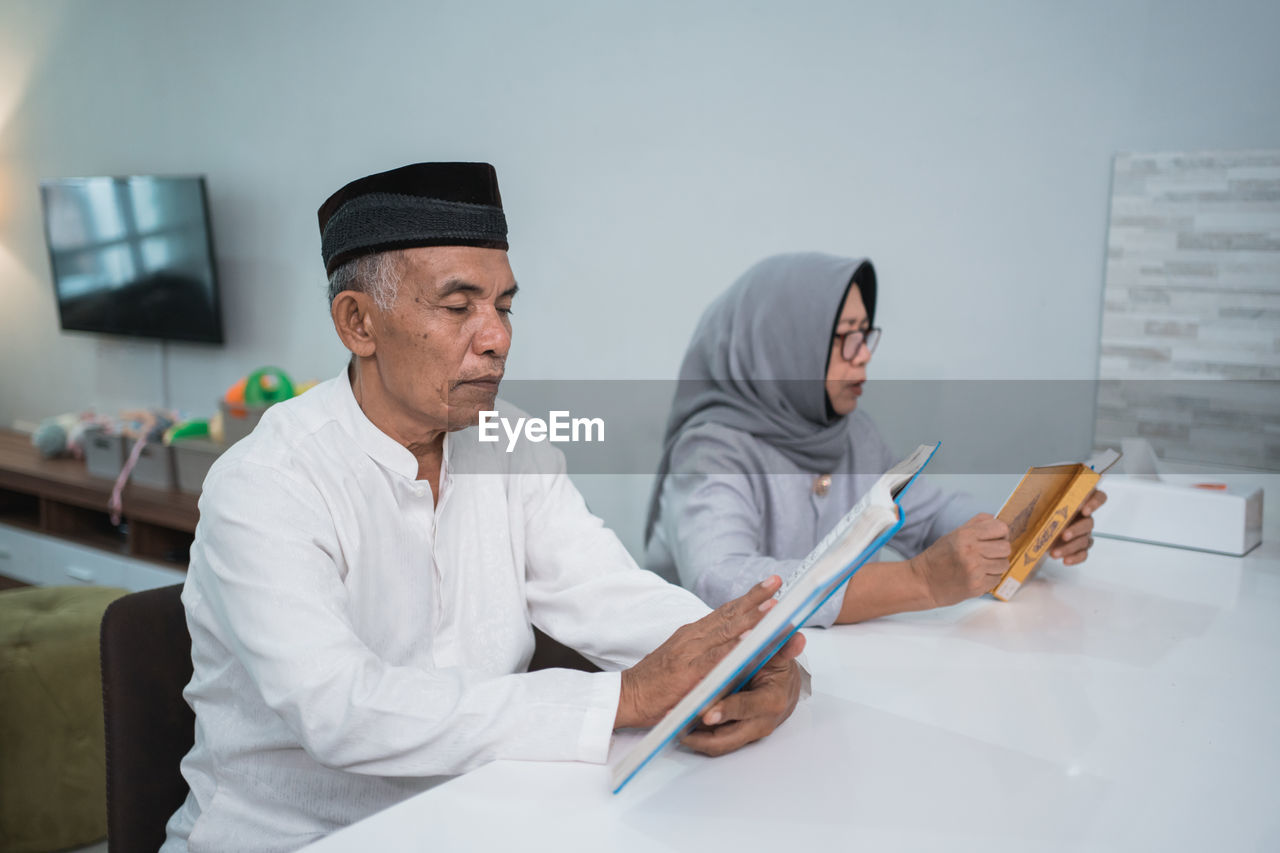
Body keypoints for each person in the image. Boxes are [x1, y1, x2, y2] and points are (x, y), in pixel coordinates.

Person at [162, 164, 805, 853]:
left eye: (503, 304)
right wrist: (623, 697)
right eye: (458, 304)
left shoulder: (511, 442)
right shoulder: (267, 482)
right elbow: (341, 707)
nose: (496, 336)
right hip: (297, 838)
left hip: (476, 818)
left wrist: (749, 658)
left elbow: (605, 593)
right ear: (358, 323)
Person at [644, 252, 1106, 625]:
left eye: (865, 335)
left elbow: (927, 516)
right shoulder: (711, 450)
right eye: (845, 338)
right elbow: (721, 581)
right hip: (716, 697)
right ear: (782, 347)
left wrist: (1031, 530)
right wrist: (919, 581)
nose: (863, 355)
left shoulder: (850, 432)